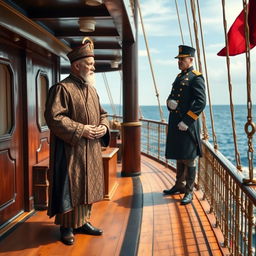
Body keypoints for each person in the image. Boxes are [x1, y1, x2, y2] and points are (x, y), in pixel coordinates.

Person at [44, 37, 109, 245]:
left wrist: (104, 126)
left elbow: (103, 113)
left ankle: (82, 222)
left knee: (87, 186)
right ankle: (67, 227)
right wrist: (82, 130)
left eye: (93, 64)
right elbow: (54, 118)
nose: (93, 67)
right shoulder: (61, 88)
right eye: (89, 64)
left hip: (91, 149)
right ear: (77, 65)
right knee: (70, 187)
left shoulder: (92, 89)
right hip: (70, 150)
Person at [163, 45, 206, 205]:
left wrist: (186, 121)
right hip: (176, 122)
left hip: (187, 125)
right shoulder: (179, 77)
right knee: (180, 156)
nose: (179, 62)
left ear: (191, 59)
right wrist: (169, 103)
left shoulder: (196, 77)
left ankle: (189, 192)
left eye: (182, 59)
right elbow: (173, 95)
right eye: (179, 59)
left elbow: (201, 102)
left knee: (189, 159)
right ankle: (179, 185)